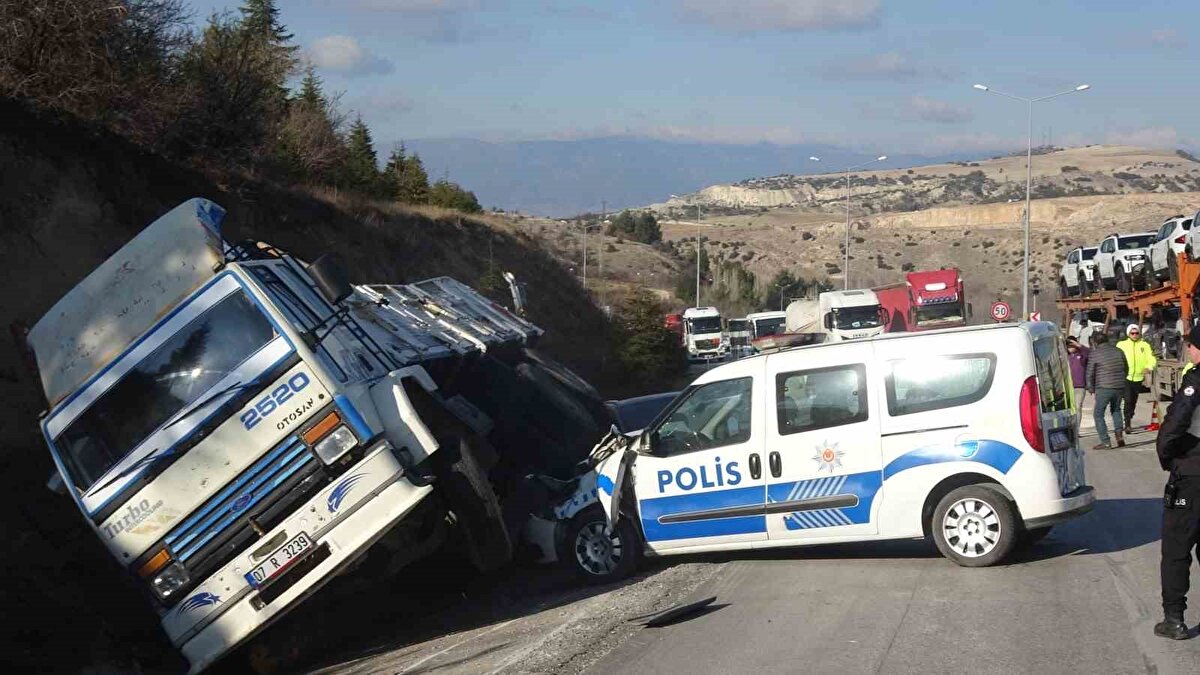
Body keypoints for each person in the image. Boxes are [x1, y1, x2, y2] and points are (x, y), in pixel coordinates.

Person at [1153, 330, 1200, 640]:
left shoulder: (1196, 380)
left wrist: (1167, 456)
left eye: (1192, 345)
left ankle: (1174, 619)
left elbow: (1175, 422)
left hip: (1193, 474)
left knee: (1177, 547)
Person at [1086, 330, 1128, 449]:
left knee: (1098, 414)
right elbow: (1126, 367)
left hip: (1104, 387)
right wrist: (1122, 380)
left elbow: (1090, 372)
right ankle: (1119, 436)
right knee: (1116, 410)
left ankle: (1105, 441)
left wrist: (1090, 387)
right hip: (1119, 386)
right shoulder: (1118, 351)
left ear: (1095, 342)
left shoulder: (1095, 354)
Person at [1117, 323, 1158, 431]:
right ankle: (1127, 425)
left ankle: (1129, 416)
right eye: (1132, 333)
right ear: (1128, 334)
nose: (1135, 335)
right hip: (1126, 377)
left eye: (1136, 333)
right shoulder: (1121, 345)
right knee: (1128, 400)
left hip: (1139, 378)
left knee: (1133, 401)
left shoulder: (1144, 345)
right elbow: (1116, 358)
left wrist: (1149, 367)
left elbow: (1151, 358)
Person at [1066, 336, 1089, 423]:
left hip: (1079, 386)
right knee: (1068, 409)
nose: (1070, 347)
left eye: (1072, 345)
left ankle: (1076, 430)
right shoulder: (1065, 356)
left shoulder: (1082, 355)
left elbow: (1089, 353)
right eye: (1068, 346)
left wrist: (1078, 345)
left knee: (1077, 407)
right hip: (1067, 386)